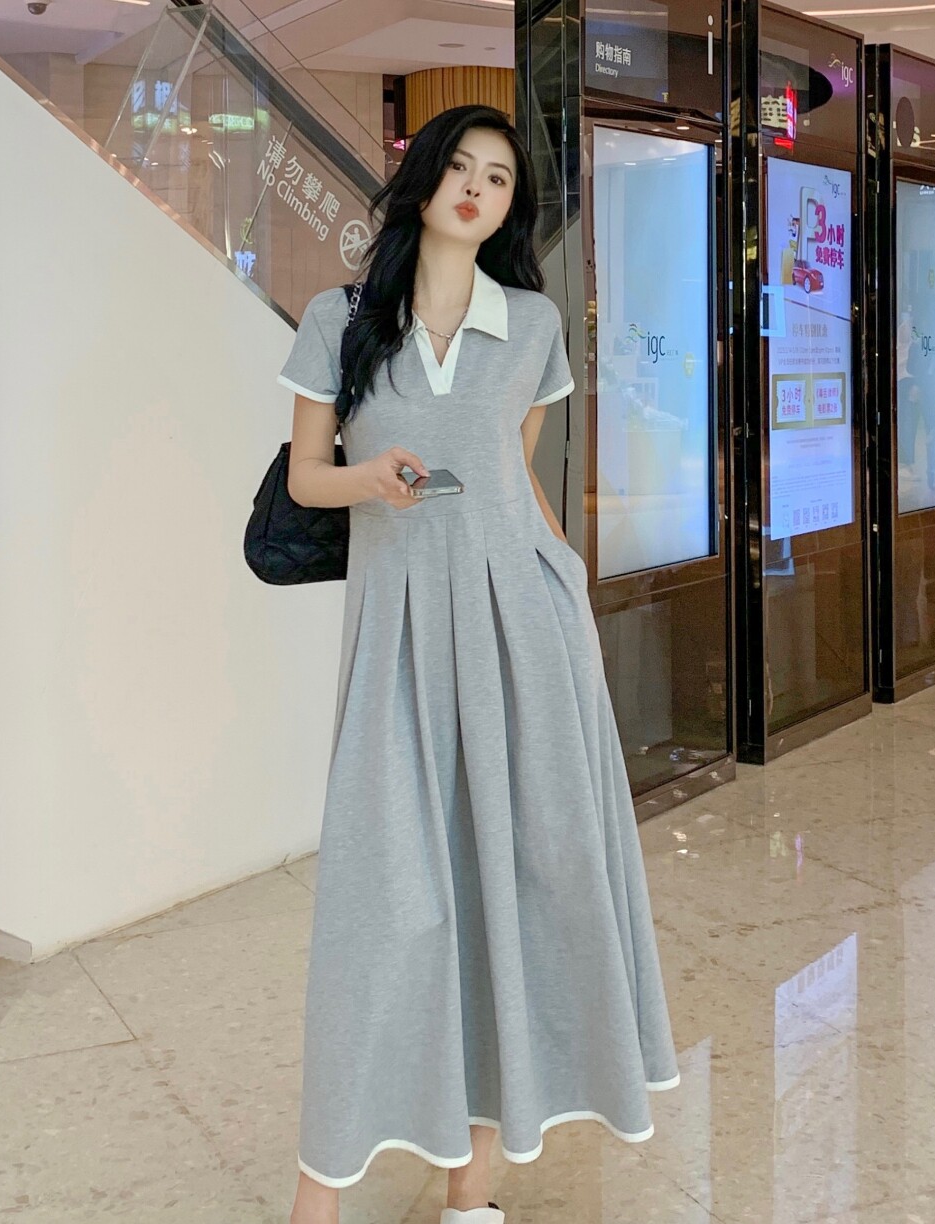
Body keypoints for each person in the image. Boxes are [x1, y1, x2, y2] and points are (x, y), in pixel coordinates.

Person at [276, 106, 679, 1224]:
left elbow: (518, 478)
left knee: (527, 884)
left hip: (525, 628)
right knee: (383, 906)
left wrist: (570, 590)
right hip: (400, 631)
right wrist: (372, 481)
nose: (475, 188)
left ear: (511, 208)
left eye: (497, 179)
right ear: (420, 180)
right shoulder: (340, 318)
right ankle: (318, 1200)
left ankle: (474, 1194)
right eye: (458, 166)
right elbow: (306, 475)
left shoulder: (534, 324)